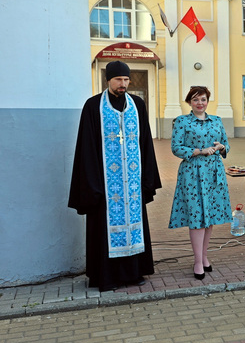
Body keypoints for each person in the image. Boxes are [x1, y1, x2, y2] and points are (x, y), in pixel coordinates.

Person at [69, 60, 161, 292]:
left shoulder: (137, 105)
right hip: (105, 184)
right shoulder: (93, 106)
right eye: (119, 79)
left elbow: (145, 142)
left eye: (126, 79)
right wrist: (93, 184)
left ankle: (134, 273)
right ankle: (107, 277)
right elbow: (87, 147)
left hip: (132, 182)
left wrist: (147, 178)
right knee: (104, 228)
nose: (123, 84)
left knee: (134, 224)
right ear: (108, 80)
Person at [168, 86, 232, 280]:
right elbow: (176, 147)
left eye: (203, 99)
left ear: (207, 101)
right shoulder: (182, 121)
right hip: (193, 173)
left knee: (209, 216)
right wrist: (198, 151)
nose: (200, 103)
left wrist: (222, 147)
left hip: (214, 172)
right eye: (195, 100)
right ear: (189, 102)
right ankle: (197, 261)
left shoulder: (217, 120)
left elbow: (226, 144)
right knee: (197, 216)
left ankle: (204, 257)